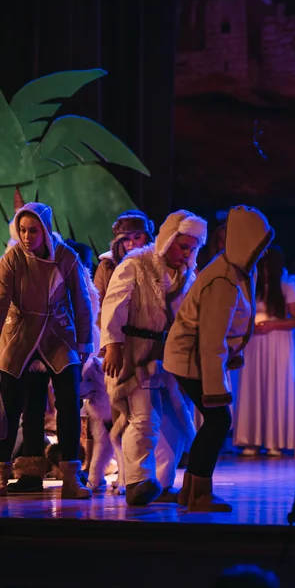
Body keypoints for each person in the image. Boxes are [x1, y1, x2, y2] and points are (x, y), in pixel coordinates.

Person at [0, 202, 94, 499]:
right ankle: (3, 472)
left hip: (58, 335)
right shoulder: (13, 258)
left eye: (33, 230)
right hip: (19, 335)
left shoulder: (66, 257)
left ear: (45, 230)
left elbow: (82, 301)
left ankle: (71, 476)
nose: (27, 236)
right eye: (22, 230)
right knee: (13, 406)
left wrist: (84, 342)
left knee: (69, 403)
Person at [164, 205, 274, 512]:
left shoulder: (240, 271)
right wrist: (215, 388)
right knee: (218, 419)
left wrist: (232, 356)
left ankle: (192, 491)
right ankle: (199, 493)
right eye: (259, 244)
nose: (264, 251)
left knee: (215, 420)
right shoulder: (223, 280)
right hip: (190, 357)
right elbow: (211, 338)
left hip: (199, 355)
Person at [101, 210, 207, 505]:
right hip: (137, 355)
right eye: (182, 246)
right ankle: (138, 480)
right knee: (144, 417)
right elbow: (114, 303)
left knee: (174, 422)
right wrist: (113, 345)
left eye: (192, 249)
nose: (186, 253)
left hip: (171, 358)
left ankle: (161, 483)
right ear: (168, 239)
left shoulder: (188, 275)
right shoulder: (136, 264)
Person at [234, 245, 295, 456]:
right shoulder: (252, 287)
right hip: (255, 343)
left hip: (278, 343)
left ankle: (275, 440)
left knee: (276, 387)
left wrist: (273, 325)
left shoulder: (287, 287)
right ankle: (251, 439)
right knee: (253, 387)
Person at [94, 210, 155, 305]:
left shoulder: (158, 263)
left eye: (137, 237)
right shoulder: (107, 265)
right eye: (126, 239)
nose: (131, 244)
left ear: (147, 237)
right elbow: (97, 305)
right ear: (119, 241)